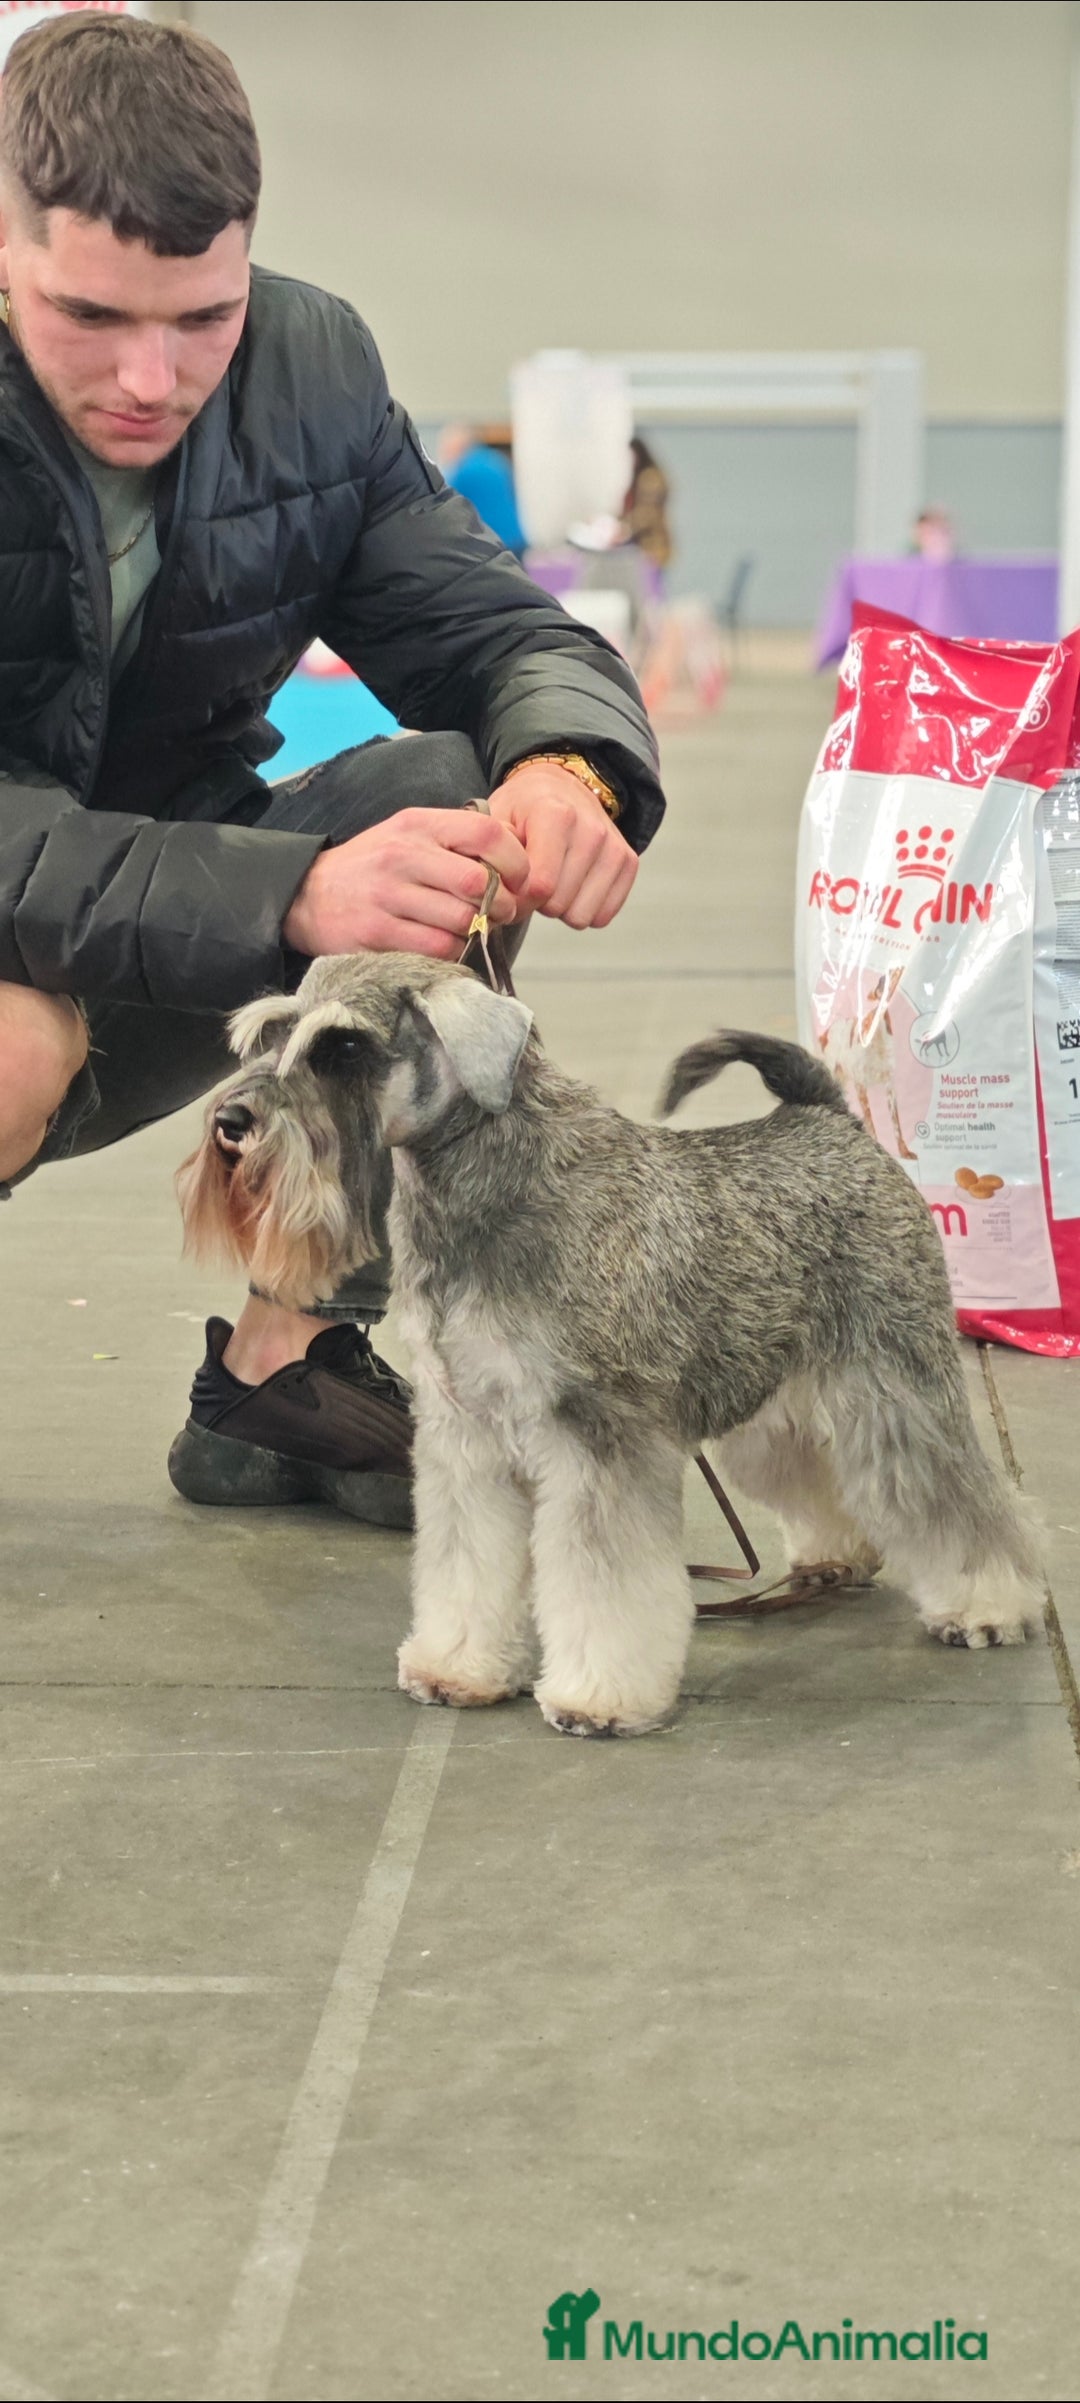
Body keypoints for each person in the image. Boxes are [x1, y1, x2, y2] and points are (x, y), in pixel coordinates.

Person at [0, 13, 664, 1526]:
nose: (154, 378)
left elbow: (492, 628)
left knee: (455, 823)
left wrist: (567, 762)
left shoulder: (312, 365)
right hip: (34, 957)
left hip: (179, 917)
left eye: (203, 317)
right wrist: (290, 889)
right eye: (89, 315)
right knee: (11, 1048)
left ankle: (287, 1371)